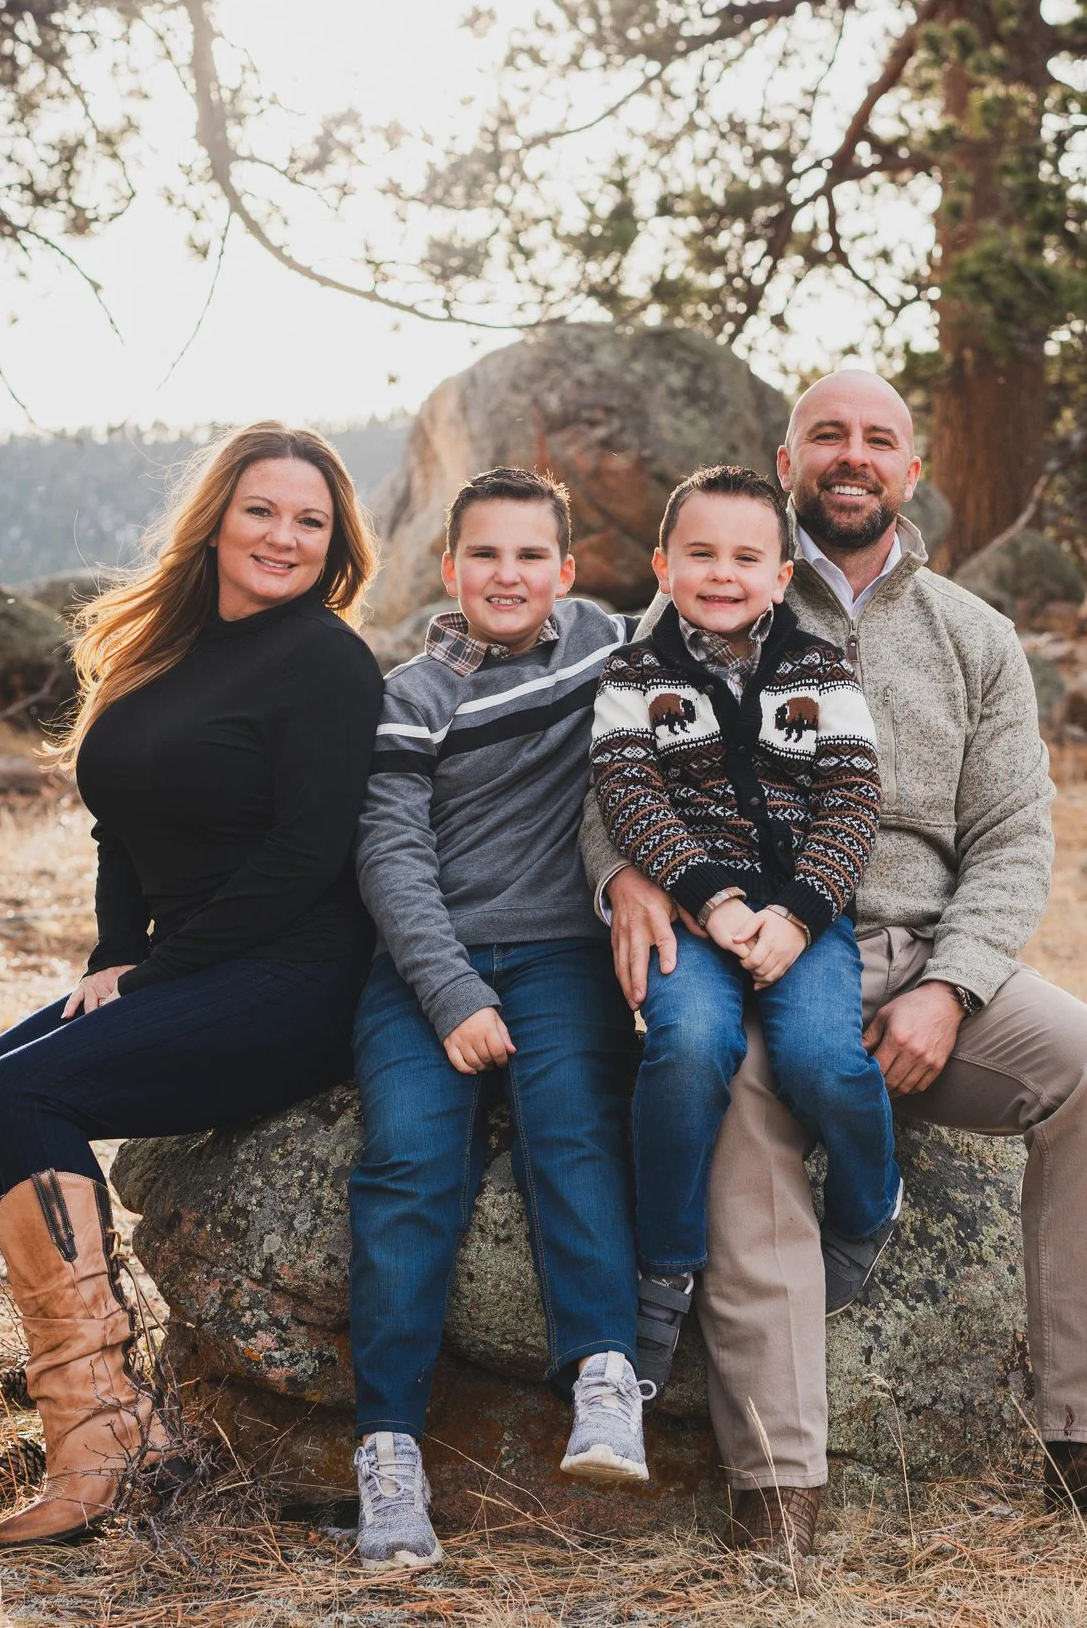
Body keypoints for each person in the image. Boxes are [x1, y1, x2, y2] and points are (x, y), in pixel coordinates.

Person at [584, 373, 1087, 1558]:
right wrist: (620, 877)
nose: (852, 455)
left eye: (879, 440)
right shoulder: (711, 599)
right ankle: (778, 1484)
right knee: (741, 1109)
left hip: (922, 949)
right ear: (787, 462)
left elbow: (1017, 834)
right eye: (829, 435)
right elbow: (611, 780)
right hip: (750, 949)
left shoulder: (973, 634)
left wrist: (951, 982)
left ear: (910, 473)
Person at [0, 421, 384, 1550]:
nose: (284, 535)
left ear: (335, 544)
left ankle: (108, 1440)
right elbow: (123, 824)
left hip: (298, 978)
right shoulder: (163, 647)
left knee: (27, 1093)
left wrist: (160, 971)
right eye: (263, 509)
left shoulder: (323, 660)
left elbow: (309, 855)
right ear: (215, 516)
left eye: (311, 521)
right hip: (189, 963)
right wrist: (114, 958)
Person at [345, 467, 647, 1572]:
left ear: (565, 572)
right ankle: (387, 1453)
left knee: (569, 1125)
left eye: (531, 556)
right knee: (410, 1164)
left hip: (566, 952)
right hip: (427, 967)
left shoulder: (608, 648)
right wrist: (452, 993)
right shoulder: (412, 694)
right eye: (485, 555)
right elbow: (390, 854)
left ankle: (606, 1377)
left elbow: (728, 598)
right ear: (450, 567)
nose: (507, 575)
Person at [586, 467, 893, 1398]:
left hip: (809, 913)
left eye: (746, 556)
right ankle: (666, 1266)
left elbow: (853, 800)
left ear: (782, 568)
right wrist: (714, 900)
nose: (723, 573)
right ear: (663, 564)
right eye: (701, 553)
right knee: (686, 1044)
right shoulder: (631, 676)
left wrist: (800, 916)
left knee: (820, 1059)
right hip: (693, 908)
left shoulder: (820, 671)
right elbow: (630, 796)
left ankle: (866, 1206)